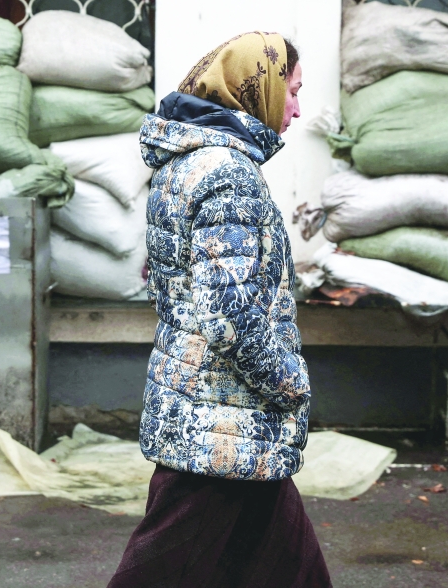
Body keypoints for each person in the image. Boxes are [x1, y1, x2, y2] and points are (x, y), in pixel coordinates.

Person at [107, 32, 330, 587]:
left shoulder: (189, 163)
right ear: (258, 88)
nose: (298, 109)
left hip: (221, 415)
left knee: (293, 570)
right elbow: (226, 309)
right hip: (220, 420)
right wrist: (288, 382)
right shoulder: (227, 173)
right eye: (293, 91)